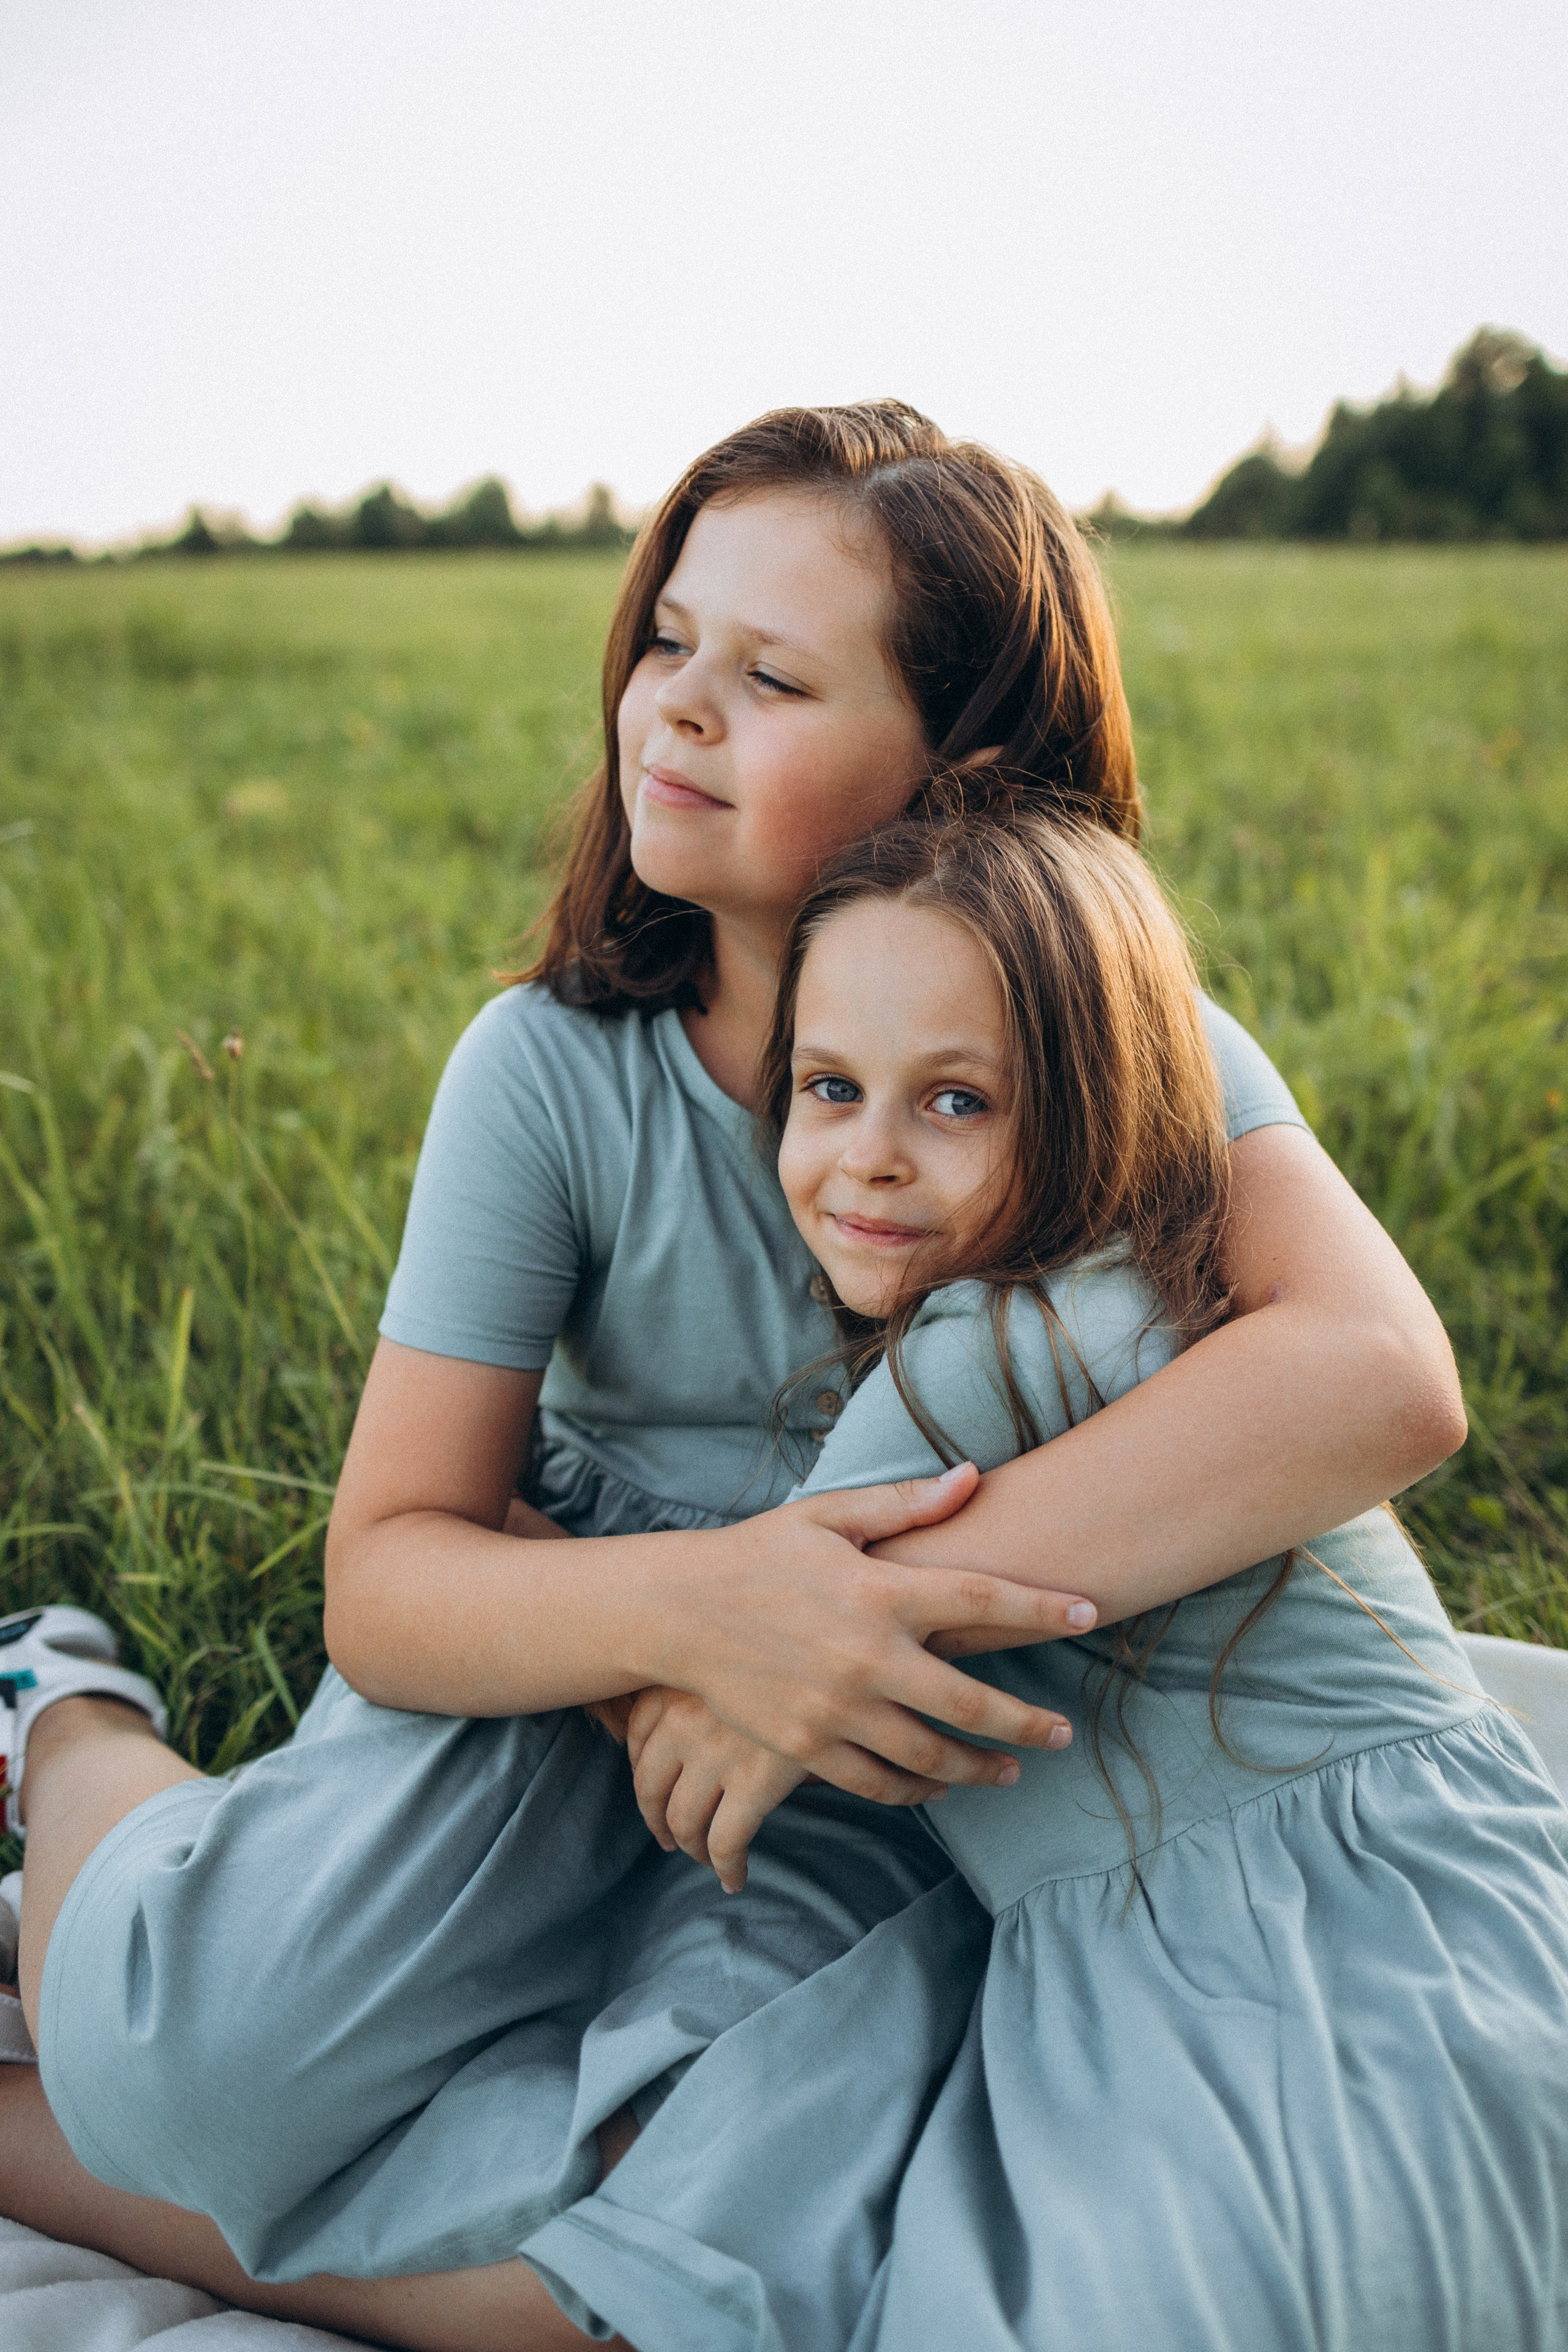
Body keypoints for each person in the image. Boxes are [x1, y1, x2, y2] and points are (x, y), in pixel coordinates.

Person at [0, 402, 1465, 2352]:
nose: (672, 709)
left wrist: (839, 1637)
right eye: (667, 642)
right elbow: (395, 1567)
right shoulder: (551, 1072)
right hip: (577, 1656)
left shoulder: (1121, 1029)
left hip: (873, 1759)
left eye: (768, 676)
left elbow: (1380, 1371)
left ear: (967, 768)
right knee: (198, 2058)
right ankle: (65, 1724)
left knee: (678, 2267)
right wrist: (725, 1619)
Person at [516, 808, 1568, 2351]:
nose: (868, 1153)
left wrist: (526, 1551)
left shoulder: (953, 1381)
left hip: (1211, 1990)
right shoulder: (1181, 1306)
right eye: (826, 1090)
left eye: (954, 1101)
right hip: (1474, 1916)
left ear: (1086, 1113)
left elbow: (699, 1736)